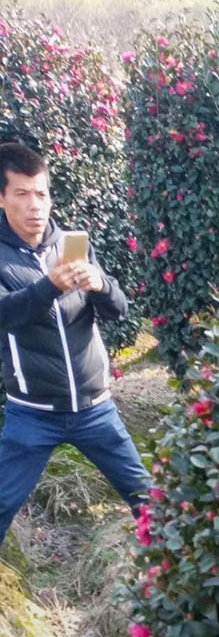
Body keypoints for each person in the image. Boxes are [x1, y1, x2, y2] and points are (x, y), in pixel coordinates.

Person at [0, 141, 148, 549]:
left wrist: (100, 285)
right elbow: (7, 312)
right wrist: (50, 286)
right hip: (33, 415)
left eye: (42, 194)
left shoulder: (70, 244)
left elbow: (119, 308)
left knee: (148, 499)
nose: (35, 205)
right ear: (2, 197)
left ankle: (177, 577)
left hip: (94, 409)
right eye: (23, 194)